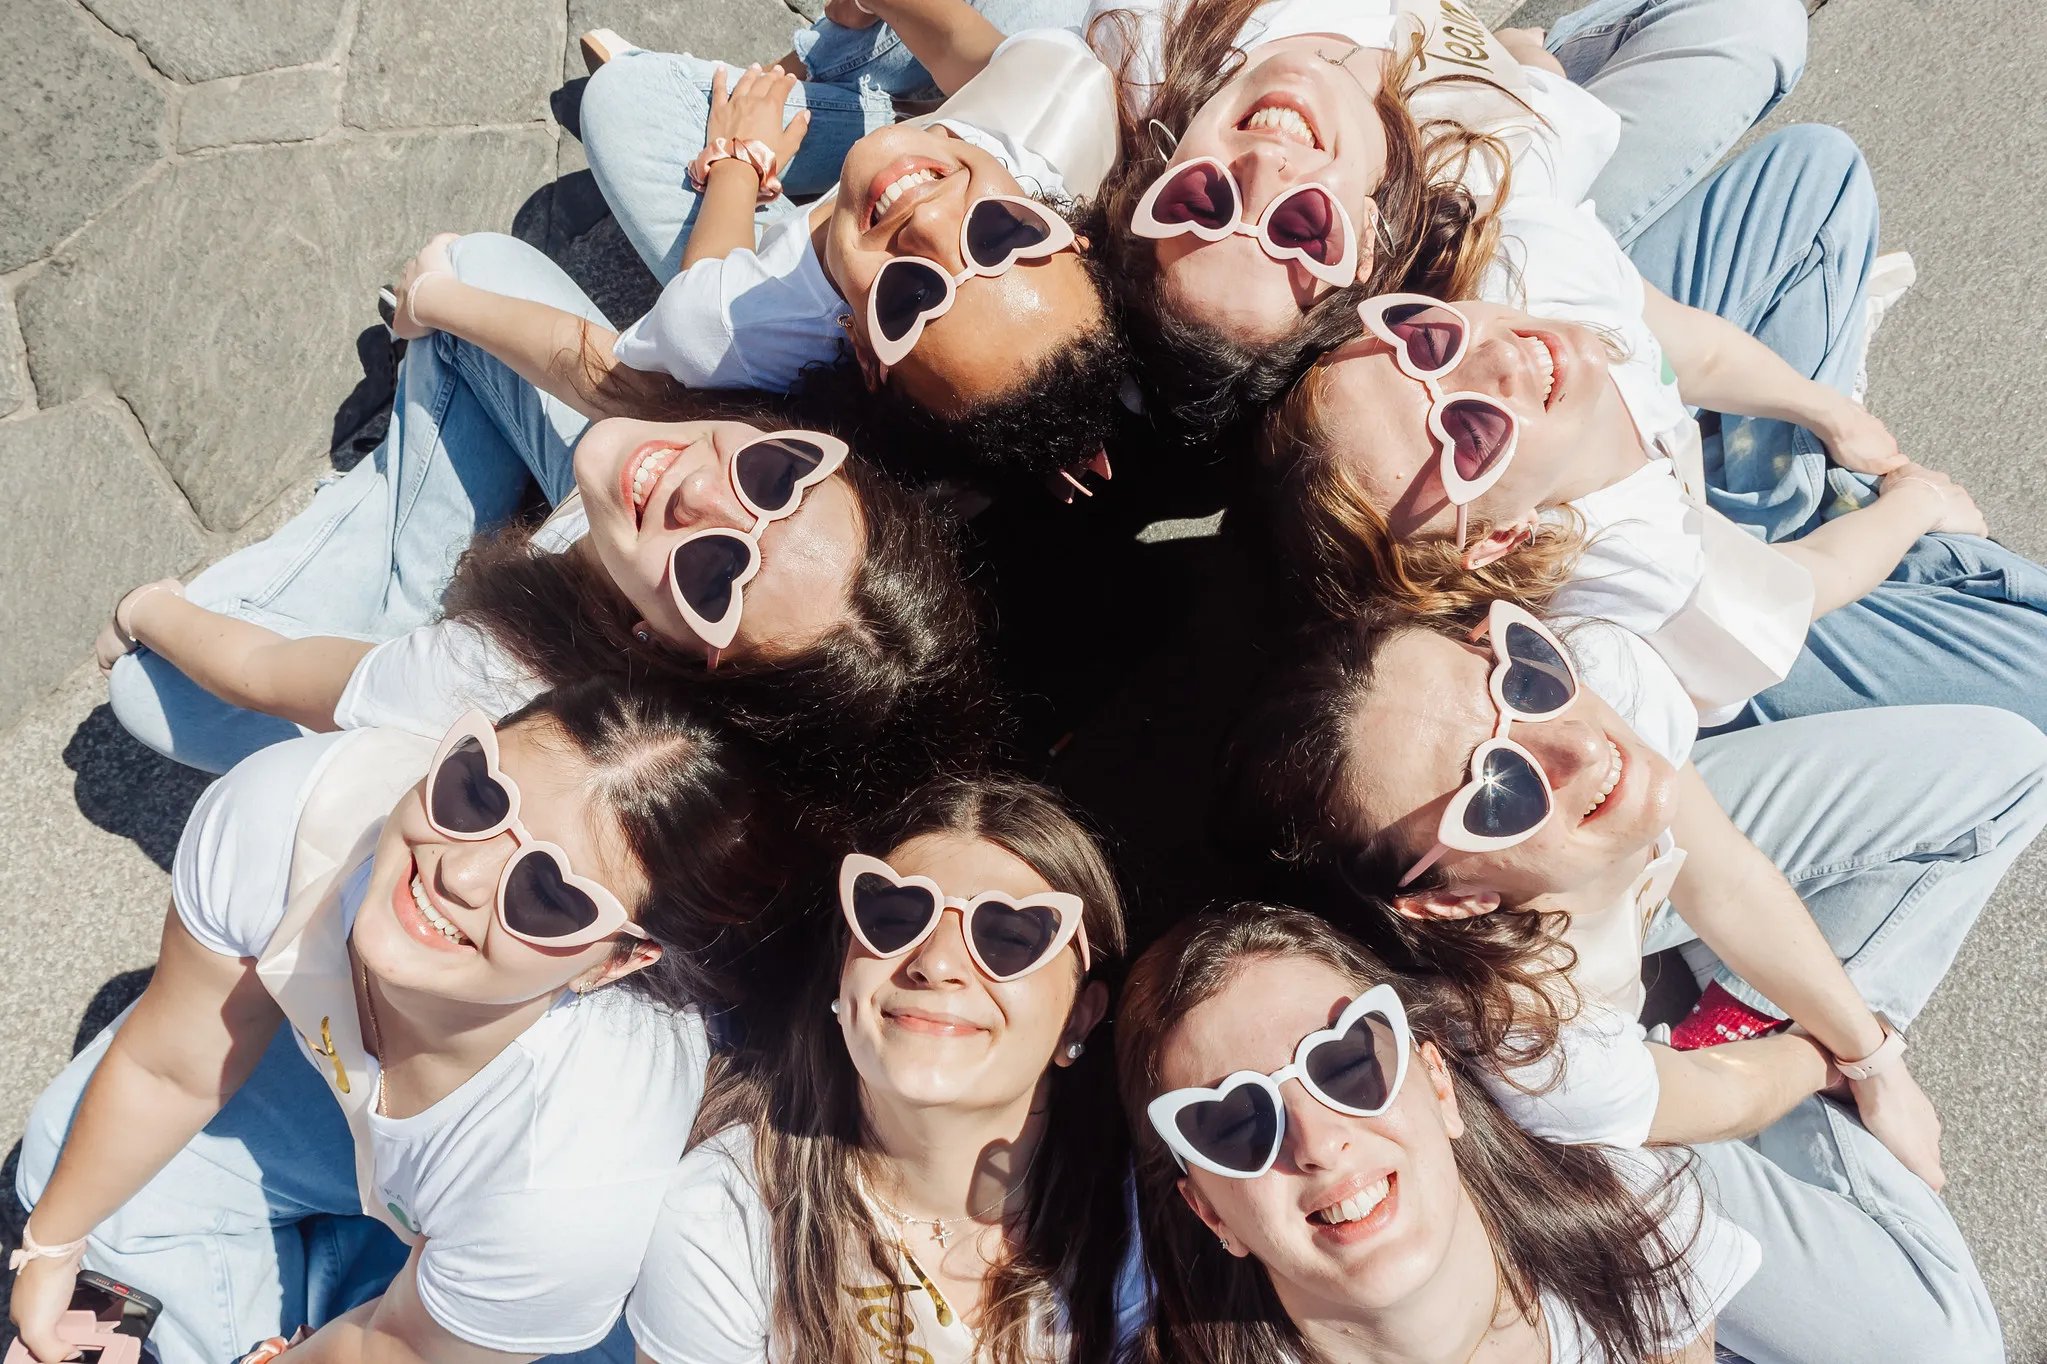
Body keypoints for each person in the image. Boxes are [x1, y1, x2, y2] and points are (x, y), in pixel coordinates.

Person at [1223, 602, 2035, 1359]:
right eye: (1498, 793)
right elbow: (1713, 1097)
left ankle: (1743, 1010)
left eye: (1522, 673)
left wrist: (1872, 1059)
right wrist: (1816, 1057)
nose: (1573, 744)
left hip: (1602, 920)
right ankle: (1741, 1030)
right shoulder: (1526, 1045)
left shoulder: (1601, 680)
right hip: (1601, 1097)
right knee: (1945, 1345)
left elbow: (1725, 880)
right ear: (1454, 898)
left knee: (2009, 763)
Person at [12, 683, 807, 1364]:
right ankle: (322, 1278)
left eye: (549, 894)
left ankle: (312, 1285)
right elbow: (169, 1066)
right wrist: (49, 1253)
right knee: (66, 1170)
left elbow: (393, 1347)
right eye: (476, 792)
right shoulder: (297, 814)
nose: (457, 871)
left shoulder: (567, 1191)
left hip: (540, 1298)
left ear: (614, 963)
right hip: (393, 1156)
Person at [96, 235, 985, 784]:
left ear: (664, 651)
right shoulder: (721, 442)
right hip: (567, 552)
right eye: (778, 477)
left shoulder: (501, 687)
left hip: (446, 663)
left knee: (150, 684)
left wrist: (147, 607)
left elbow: (259, 671)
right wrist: (431, 302)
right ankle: (394, 525)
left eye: (716, 577)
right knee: (473, 267)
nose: (705, 492)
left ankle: (393, 553)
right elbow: (602, 372)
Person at [1083, 0, 1806, 437]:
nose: (1262, 172)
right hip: (1529, 109)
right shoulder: (1496, 185)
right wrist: (1824, 412)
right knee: (1758, 25)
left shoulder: (1145, 42)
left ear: (1158, 173)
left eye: (1200, 203)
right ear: (1364, 246)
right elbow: (1677, 338)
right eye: (1301, 225)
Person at [625, 773, 1138, 1363]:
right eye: (894, 915)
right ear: (843, 974)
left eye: (1010, 933)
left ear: (1079, 1018)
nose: (937, 962)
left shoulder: (1144, 1226)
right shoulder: (728, 1215)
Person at [1117, 902, 1757, 1364]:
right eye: (1237, 1125)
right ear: (1209, 1213)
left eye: (1345, 1066)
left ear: (1440, 1084)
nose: (1317, 1144)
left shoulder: (1633, 1219)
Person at [571, 1, 1131, 487]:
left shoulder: (740, 328)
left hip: (874, 179)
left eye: (910, 299)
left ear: (863, 351)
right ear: (1069, 232)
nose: (930, 223)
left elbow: (699, 291)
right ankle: (871, 96)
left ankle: (830, 82)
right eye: (1000, 237)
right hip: (966, 120)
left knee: (622, 96)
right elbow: (983, 61)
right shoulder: (1064, 97)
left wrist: (741, 156)